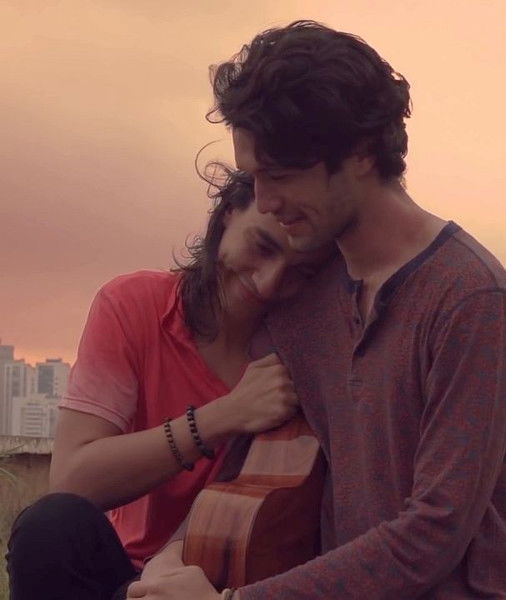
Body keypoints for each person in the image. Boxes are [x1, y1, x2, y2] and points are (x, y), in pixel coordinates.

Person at [127, 20, 506, 600]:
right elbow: (239, 472)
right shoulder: (303, 301)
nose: (264, 201)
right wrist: (167, 561)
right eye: (254, 177)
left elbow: (434, 533)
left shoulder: (470, 297)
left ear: (360, 153)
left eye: (280, 175)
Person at [6, 166, 330, 600]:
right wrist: (222, 417)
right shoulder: (135, 305)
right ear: (229, 214)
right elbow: (72, 480)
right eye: (262, 246)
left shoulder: (305, 353)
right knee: (50, 528)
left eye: (298, 273)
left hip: (226, 582)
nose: (268, 283)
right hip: (127, 574)